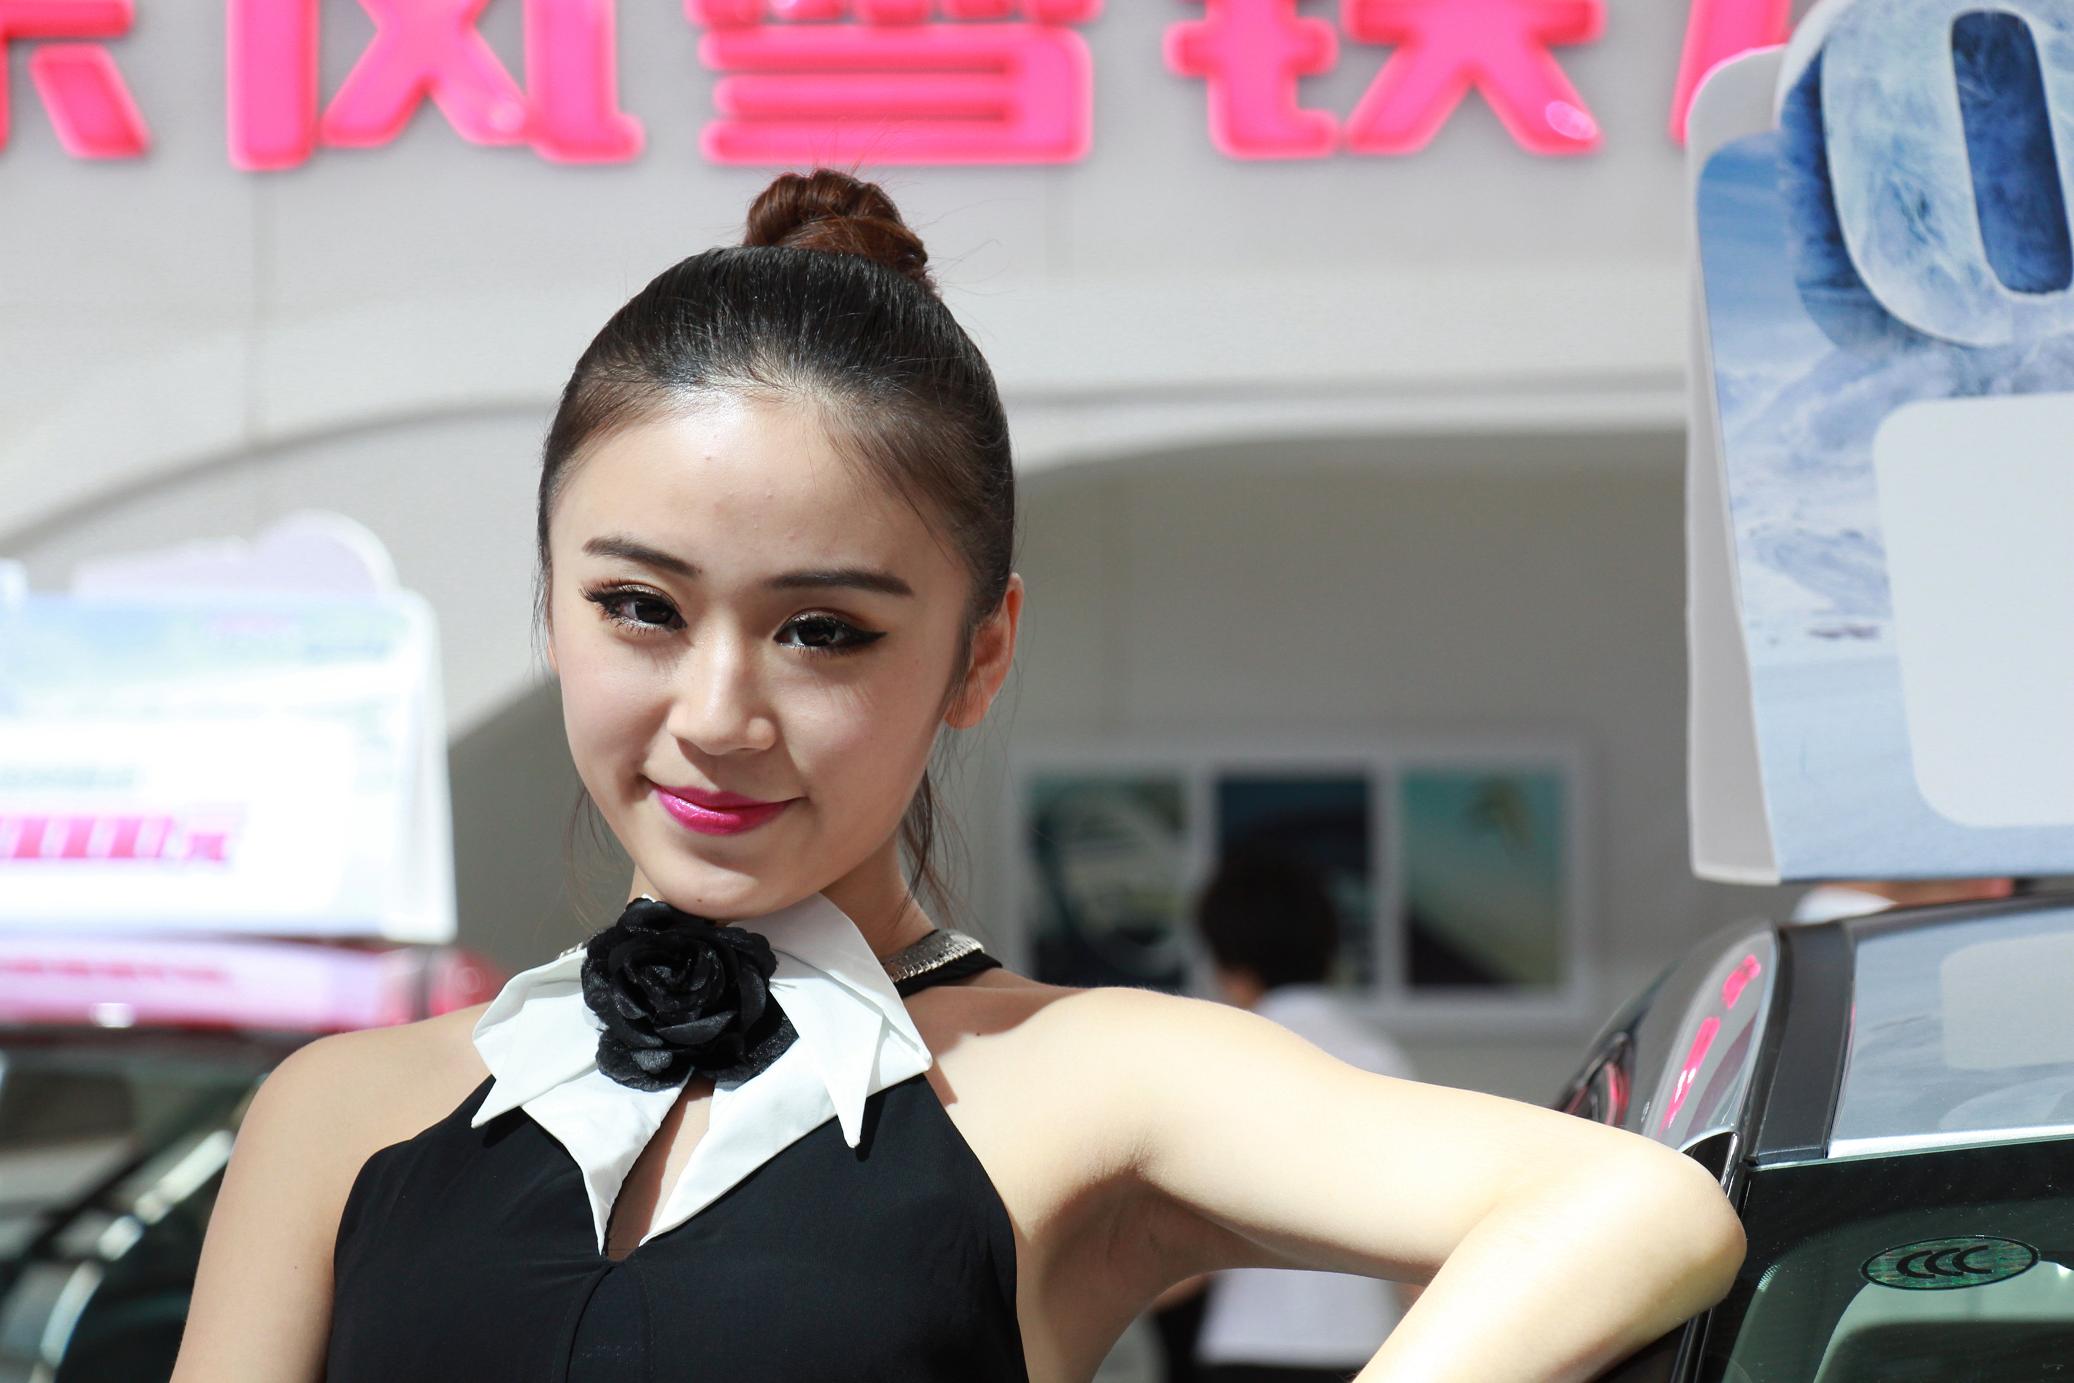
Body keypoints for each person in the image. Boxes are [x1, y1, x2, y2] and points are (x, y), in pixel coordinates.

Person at [170, 170, 1743, 1383]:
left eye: (822, 631)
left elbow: (1629, 1207)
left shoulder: (1081, 1077)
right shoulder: (338, 1111)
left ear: (979, 654)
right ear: (551, 602)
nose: (718, 714)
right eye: (639, 606)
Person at [1178, 849, 1419, 1383]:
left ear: (1230, 969)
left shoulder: (1218, 1059)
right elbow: (1415, 1230)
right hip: (1364, 1342)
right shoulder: (1379, 1058)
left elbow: (1186, 1247)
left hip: (1247, 1342)